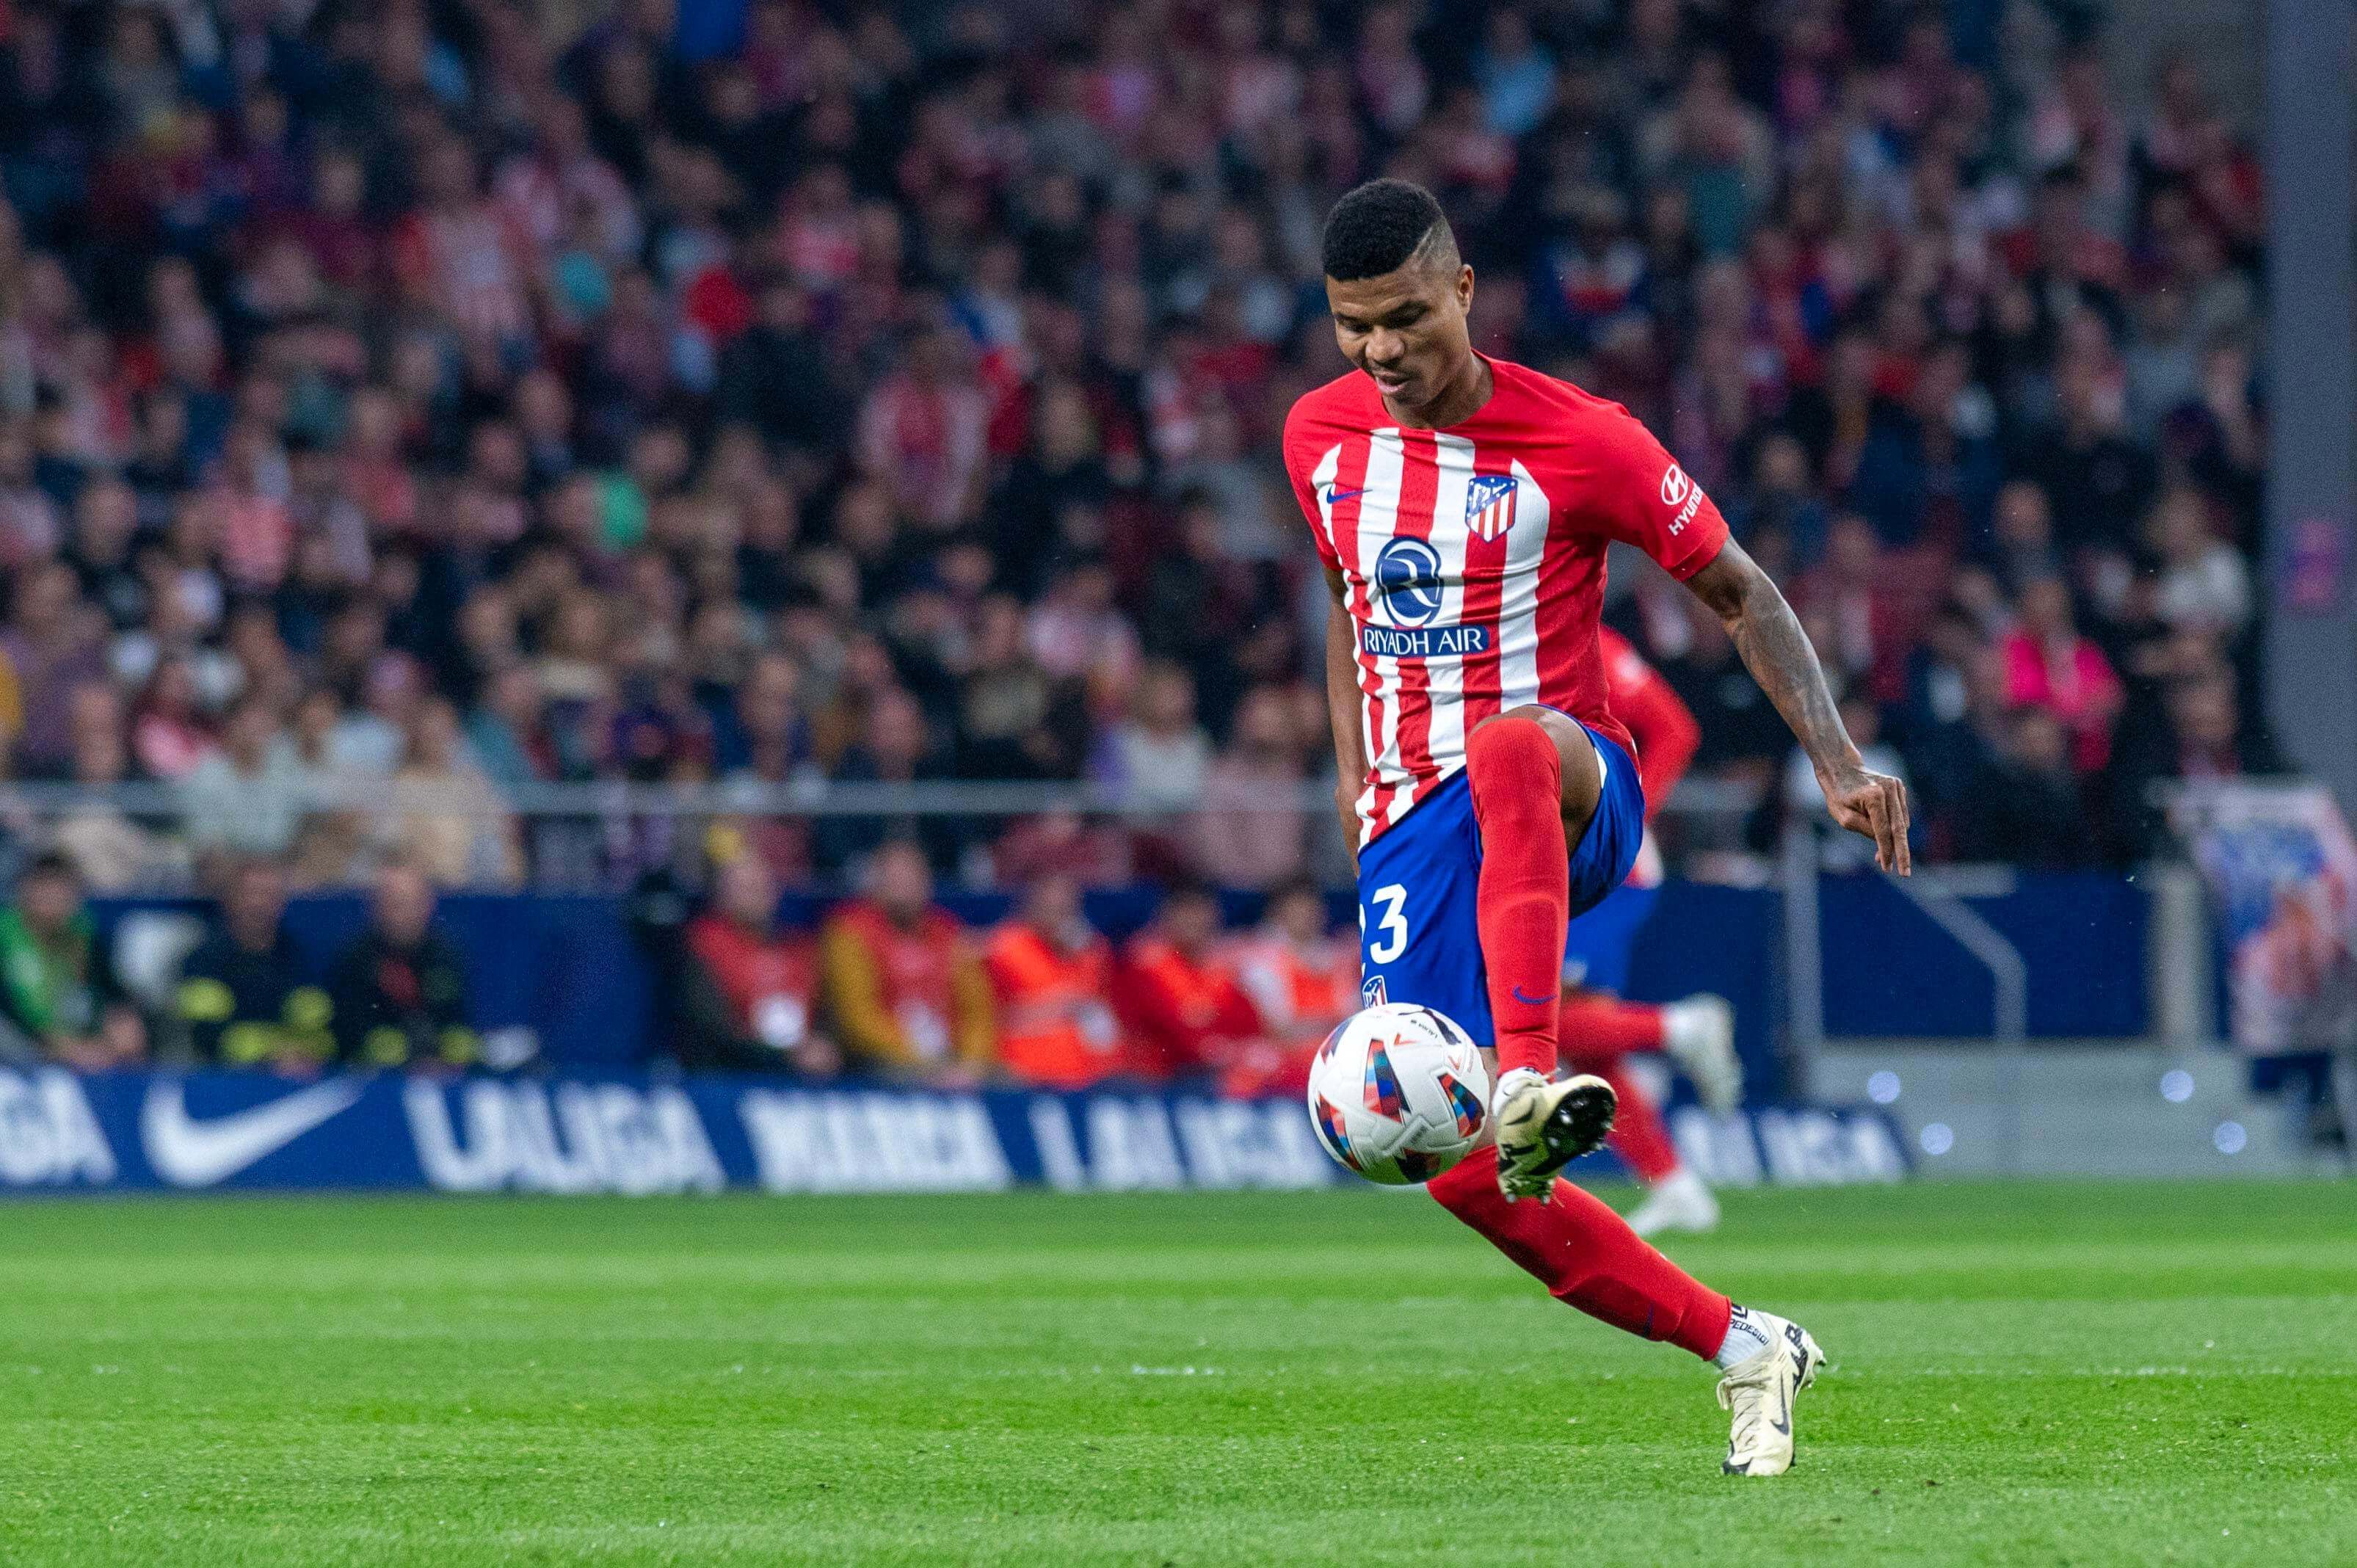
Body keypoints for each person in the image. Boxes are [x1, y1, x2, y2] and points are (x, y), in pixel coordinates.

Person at [1283, 181, 1909, 1476]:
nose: (1381, 352)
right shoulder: (1317, 437)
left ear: (1462, 291)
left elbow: (1740, 590)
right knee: (1456, 1178)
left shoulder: (1588, 442)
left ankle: (1524, 1072)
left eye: (1404, 317)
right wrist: (1360, 798)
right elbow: (1347, 612)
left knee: (1509, 739)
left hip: (1568, 787)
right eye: (1354, 328)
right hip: (1412, 831)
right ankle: (1743, 1345)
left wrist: (1839, 763)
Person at [1558, 627, 1743, 1238]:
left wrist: (1627, 819)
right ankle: (1675, 1186)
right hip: (1551, 864)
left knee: (1539, 1015)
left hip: (1602, 867)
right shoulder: (1497, 634)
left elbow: (1675, 728)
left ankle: (1683, 1027)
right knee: (1582, 1042)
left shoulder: (1590, 642)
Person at [818, 841, 994, 1086]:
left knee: (1010, 1083)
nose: (903, 886)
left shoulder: (951, 934)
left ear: (927, 882)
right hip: (886, 1062)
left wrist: (971, 1064)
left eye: (911, 876)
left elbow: (979, 1013)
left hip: (953, 1062)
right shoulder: (850, 933)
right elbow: (859, 1019)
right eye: (893, 877)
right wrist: (923, 1061)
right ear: (875, 882)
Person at [676, 852, 840, 1076]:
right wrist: (785, 1057)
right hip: (735, 1074)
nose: (753, 896)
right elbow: (713, 1030)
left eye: (760, 887)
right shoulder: (704, 946)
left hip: (806, 1074)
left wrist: (825, 1046)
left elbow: (826, 1011)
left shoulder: (800, 949)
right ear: (722, 896)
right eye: (743, 889)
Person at [175, 857, 335, 1072]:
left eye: (268, 895)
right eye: (250, 893)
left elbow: (324, 1032)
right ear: (229, 900)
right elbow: (208, 1035)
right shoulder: (202, 963)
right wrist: (271, 1057)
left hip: (299, 1080)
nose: (258, 904)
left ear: (281, 903)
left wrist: (301, 1053)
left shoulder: (305, 961)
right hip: (225, 1085)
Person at [325, 857, 480, 1070]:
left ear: (427, 905)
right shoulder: (355, 961)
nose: (398, 915)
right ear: (374, 908)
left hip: (442, 1077)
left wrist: (447, 1059)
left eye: (406, 903)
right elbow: (347, 1035)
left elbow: (458, 1023)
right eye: (390, 903)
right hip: (377, 1080)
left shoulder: (446, 958)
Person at [1214, 878, 1357, 1097]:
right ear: (1279, 913)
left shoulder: (1338, 958)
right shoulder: (1261, 959)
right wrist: (1330, 1023)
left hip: (1330, 1059)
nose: (1306, 915)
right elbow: (1278, 1029)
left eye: (1311, 907)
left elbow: (1355, 1022)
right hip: (1285, 1061)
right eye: (1297, 908)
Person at [0, 853, 145, 1070]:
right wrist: (64, 1048)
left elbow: (110, 990)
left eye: (62, 889)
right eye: (45, 888)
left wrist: (122, 1020)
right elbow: (9, 1008)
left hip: (76, 1040)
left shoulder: (83, 935)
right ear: (25, 889)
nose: (53, 897)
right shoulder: (6, 933)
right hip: (22, 1044)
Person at [982, 872, 1125, 1090]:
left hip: (1090, 1078)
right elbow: (991, 1015)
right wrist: (1061, 1006)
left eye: (1066, 907)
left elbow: (1103, 1013)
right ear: (1032, 905)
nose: (1059, 913)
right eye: (1050, 904)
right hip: (1026, 1076)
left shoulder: (1092, 951)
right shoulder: (1004, 948)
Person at [1114, 882, 1266, 1084]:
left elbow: (1249, 1023)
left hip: (1215, 1073)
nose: (1194, 921)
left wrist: (1217, 1045)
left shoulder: (1224, 970)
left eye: (1201, 913)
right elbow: (1157, 1028)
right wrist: (1209, 1044)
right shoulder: (1144, 966)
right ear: (1167, 917)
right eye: (1186, 912)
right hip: (1160, 1078)